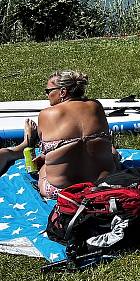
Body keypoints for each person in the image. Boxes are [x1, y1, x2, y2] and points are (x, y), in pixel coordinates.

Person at [0, 70, 119, 199]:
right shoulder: (96, 106)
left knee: (44, 167)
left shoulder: (47, 114)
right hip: (103, 184)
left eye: (49, 91)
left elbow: (49, 154)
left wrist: (37, 147)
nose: (47, 95)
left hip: (63, 191)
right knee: (111, 151)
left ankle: (27, 144)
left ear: (62, 92)